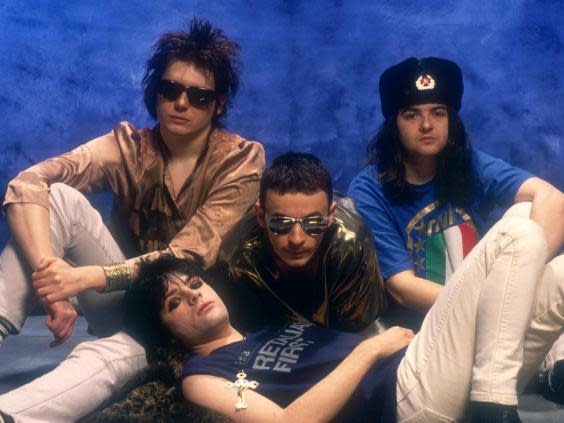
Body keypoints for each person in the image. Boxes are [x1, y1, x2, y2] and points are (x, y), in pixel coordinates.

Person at [0, 18, 264, 422]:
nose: (181, 104)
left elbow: (186, 256)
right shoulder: (127, 146)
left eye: (199, 96)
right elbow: (27, 183)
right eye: (170, 89)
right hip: (126, 301)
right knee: (58, 197)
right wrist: (52, 281)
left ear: (219, 104)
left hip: (187, 320)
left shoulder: (241, 160)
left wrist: (83, 279)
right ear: (154, 91)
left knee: (106, 356)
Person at [124, 209, 564, 423]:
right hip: (403, 399)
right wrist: (373, 348)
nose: (193, 296)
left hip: (436, 374)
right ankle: (494, 403)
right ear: (168, 331)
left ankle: (493, 396)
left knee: (559, 270)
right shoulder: (201, 375)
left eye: (194, 284)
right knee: (519, 229)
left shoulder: (271, 325)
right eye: (174, 303)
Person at [347, 57, 564, 397]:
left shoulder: (470, 164)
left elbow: (553, 199)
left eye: (438, 112)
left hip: (497, 319)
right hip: (430, 332)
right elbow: (402, 287)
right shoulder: (370, 188)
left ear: (451, 119)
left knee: (525, 215)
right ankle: (537, 365)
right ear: (394, 124)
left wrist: (513, 291)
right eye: (411, 115)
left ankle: (552, 368)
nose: (426, 125)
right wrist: (491, 303)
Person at [213, 152, 387, 334]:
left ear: (330, 216)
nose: (297, 239)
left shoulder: (351, 242)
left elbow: (362, 331)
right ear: (261, 216)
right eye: (280, 223)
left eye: (313, 223)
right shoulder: (237, 259)